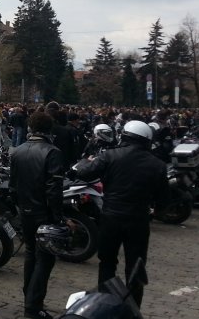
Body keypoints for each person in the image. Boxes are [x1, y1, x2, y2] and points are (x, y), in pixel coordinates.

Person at [72, 119, 169, 306]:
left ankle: (104, 304)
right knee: (136, 267)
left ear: (124, 135)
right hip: (138, 220)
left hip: (111, 217)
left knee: (107, 262)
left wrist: (86, 162)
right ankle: (133, 310)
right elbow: (164, 199)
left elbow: (84, 173)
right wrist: (154, 211)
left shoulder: (109, 155)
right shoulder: (157, 164)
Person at [9, 111, 65, 319]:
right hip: (43, 212)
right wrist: (57, 217)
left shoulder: (18, 151)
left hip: (26, 210)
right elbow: (53, 189)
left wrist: (20, 207)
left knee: (31, 253)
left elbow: (12, 185)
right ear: (49, 129)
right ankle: (33, 305)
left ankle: (29, 295)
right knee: (45, 258)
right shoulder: (52, 152)